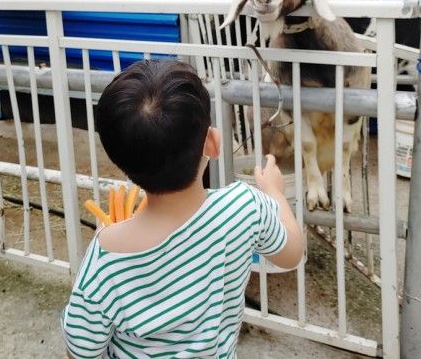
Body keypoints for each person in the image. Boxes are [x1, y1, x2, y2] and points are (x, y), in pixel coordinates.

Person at [61, 59, 304, 358]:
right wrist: (275, 193)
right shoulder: (244, 208)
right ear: (213, 143)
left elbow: (81, 351)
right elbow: (292, 254)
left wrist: (111, 233)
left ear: (120, 160)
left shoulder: (106, 257)